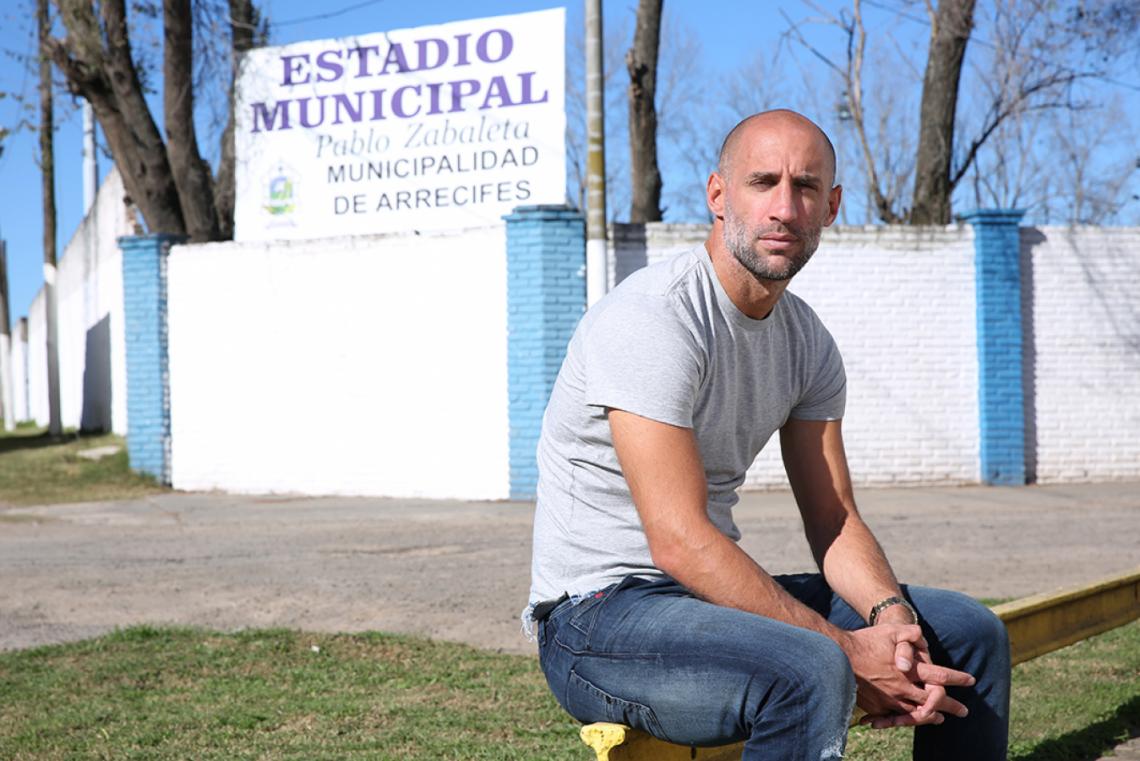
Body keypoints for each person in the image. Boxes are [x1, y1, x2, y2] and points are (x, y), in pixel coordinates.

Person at [524, 109, 1011, 760]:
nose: (785, 207)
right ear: (719, 196)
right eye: (763, 182)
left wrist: (894, 623)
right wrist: (848, 649)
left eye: (806, 187)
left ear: (831, 205)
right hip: (597, 618)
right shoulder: (652, 319)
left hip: (699, 603)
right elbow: (678, 539)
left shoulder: (806, 343)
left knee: (966, 631)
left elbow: (834, 519)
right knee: (811, 667)